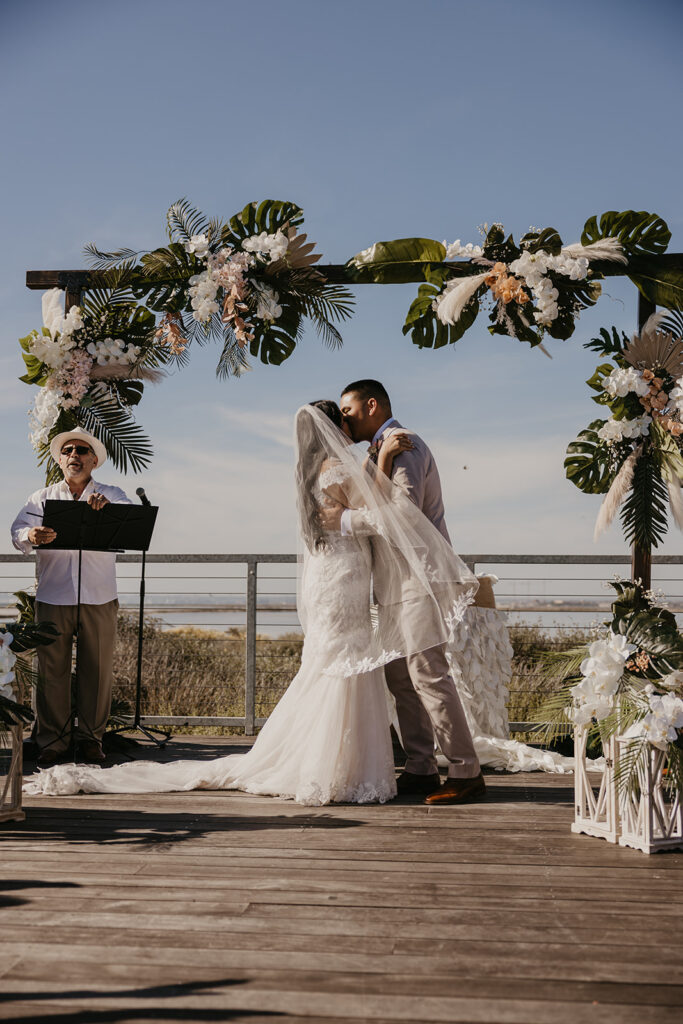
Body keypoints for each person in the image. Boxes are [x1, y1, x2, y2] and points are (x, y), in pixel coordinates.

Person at [24, 403, 478, 801]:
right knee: (346, 665)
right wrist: (380, 458)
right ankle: (348, 764)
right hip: (344, 579)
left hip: (335, 580)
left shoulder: (309, 473)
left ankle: (361, 761)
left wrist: (372, 469)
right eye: (342, 419)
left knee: (338, 664)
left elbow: (360, 508)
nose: (348, 425)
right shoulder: (338, 471)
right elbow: (378, 512)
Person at [327, 379, 487, 805]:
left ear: (372, 405)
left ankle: (465, 770)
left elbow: (404, 511)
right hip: (393, 582)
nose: (344, 418)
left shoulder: (405, 444)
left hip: (421, 577)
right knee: (400, 677)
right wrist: (377, 461)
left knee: (428, 673)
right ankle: (420, 767)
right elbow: (371, 497)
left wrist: (345, 521)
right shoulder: (379, 452)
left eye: (349, 409)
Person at [11, 427, 132, 767]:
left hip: (99, 596)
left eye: (81, 450)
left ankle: (91, 740)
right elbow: (17, 532)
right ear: (61, 460)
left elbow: (129, 525)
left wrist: (107, 512)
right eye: (68, 451)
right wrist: (31, 533)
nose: (74, 456)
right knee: (51, 671)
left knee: (97, 669)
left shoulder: (113, 494)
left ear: (94, 460)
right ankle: (52, 742)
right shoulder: (41, 497)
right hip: (53, 595)